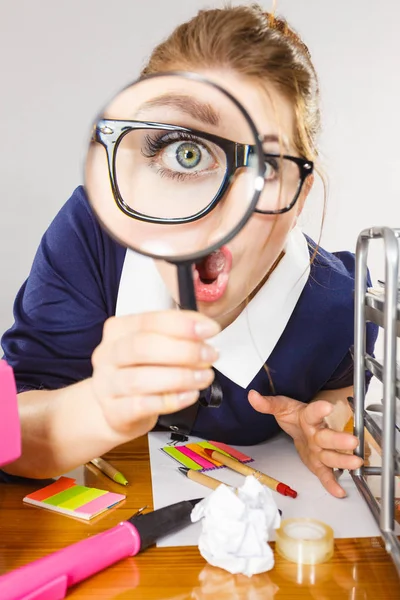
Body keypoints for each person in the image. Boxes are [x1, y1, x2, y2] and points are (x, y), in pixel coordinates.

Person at [1, 5, 377, 497]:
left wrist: (324, 426)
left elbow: (341, 395)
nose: (216, 208)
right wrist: (98, 408)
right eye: (187, 152)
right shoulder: (91, 237)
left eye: (263, 170)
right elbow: (15, 415)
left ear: (300, 197)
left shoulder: (341, 305)